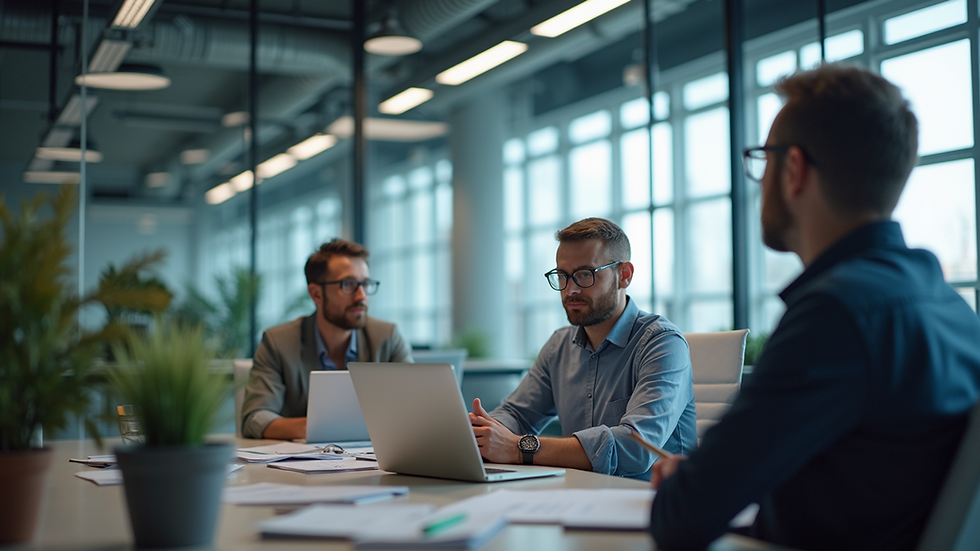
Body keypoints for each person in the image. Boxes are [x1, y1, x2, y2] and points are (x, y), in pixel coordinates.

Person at [649, 64, 980, 551]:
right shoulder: (947, 305)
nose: (758, 182)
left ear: (794, 169)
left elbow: (681, 519)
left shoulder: (837, 314)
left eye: (763, 160)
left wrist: (693, 483)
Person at [469, 217, 697, 480]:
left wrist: (520, 448)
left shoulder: (662, 343)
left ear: (624, 275)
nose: (571, 289)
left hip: (651, 505)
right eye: (563, 276)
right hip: (578, 497)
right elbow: (517, 414)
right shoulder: (559, 345)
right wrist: (482, 432)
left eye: (585, 274)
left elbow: (636, 446)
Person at [241, 239, 413, 440]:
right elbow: (255, 417)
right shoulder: (278, 343)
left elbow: (414, 409)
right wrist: (315, 428)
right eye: (348, 284)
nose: (361, 296)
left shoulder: (388, 338)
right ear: (316, 294)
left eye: (365, 284)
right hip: (301, 467)